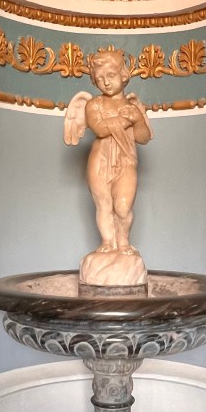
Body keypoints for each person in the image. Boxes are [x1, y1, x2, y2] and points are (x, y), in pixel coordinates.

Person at [64, 48, 152, 256]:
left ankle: (123, 242)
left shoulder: (133, 107)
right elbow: (100, 129)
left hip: (126, 160)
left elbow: (143, 137)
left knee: (122, 207)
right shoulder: (94, 104)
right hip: (100, 160)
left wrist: (138, 119)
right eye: (100, 78)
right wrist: (126, 119)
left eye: (111, 75)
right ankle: (108, 242)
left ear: (124, 75)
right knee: (103, 204)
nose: (105, 82)